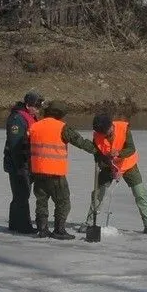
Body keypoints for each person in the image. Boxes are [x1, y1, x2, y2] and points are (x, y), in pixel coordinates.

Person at [79, 113, 147, 236]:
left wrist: (118, 153)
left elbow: (131, 149)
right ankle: (89, 222)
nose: (105, 135)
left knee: (140, 193)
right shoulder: (97, 135)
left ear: (111, 125)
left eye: (106, 132)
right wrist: (106, 164)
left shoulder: (123, 129)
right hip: (109, 167)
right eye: (102, 133)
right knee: (98, 194)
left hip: (128, 165)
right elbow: (98, 155)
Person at [28, 100, 97, 240]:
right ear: (59, 114)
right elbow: (79, 142)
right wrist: (97, 151)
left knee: (41, 201)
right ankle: (59, 230)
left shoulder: (35, 126)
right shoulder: (62, 127)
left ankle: (42, 229)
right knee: (63, 202)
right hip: (55, 173)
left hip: (38, 172)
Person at [3, 91, 44, 234]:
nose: (38, 110)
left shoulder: (30, 117)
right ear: (28, 105)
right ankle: (23, 225)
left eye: (39, 107)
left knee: (21, 194)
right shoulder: (17, 119)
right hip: (18, 163)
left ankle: (15, 224)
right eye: (36, 106)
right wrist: (20, 165)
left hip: (27, 163)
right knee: (21, 194)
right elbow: (15, 145)